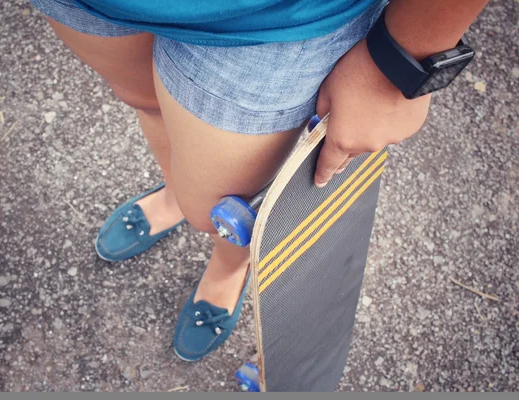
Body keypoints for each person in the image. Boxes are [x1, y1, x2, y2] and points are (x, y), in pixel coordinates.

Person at [30, 0, 488, 370]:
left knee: (219, 210)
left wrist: (404, 57)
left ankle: (228, 268)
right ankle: (172, 193)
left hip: (268, 18)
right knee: (143, 100)